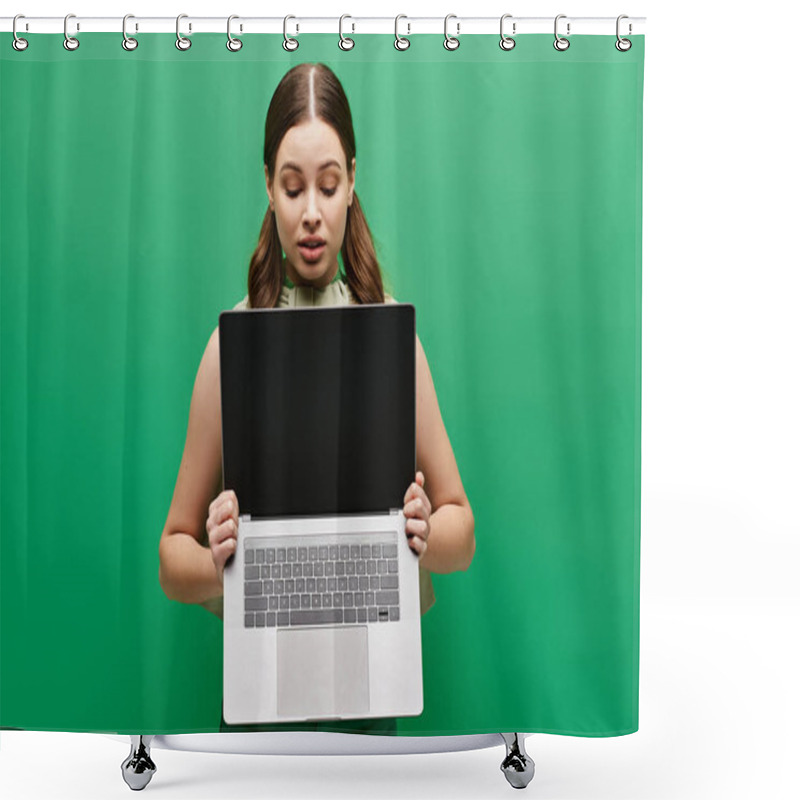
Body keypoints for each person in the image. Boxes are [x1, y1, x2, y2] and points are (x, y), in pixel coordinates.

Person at [158, 62, 475, 735]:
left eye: (328, 187)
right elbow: (172, 557)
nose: (310, 212)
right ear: (268, 189)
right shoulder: (229, 348)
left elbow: (461, 533)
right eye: (292, 186)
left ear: (352, 184)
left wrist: (422, 531)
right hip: (262, 685)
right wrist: (222, 564)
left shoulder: (393, 341)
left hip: (370, 682)